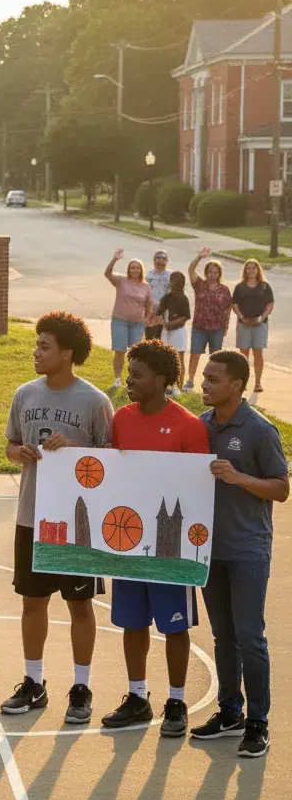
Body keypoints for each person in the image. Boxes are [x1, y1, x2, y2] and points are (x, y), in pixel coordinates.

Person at [1, 313, 113, 724]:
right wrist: (21, 453)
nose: (36, 351)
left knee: (80, 605)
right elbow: (11, 446)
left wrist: (77, 450)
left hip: (76, 524)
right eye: (37, 344)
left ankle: (81, 687)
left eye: (44, 346)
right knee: (33, 602)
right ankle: (34, 683)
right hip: (32, 517)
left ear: (67, 354)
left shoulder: (95, 401)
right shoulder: (25, 394)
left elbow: (111, 461)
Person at [101, 340, 210, 737]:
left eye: (138, 374)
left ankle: (177, 701)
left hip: (171, 547)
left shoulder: (188, 425)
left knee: (174, 627)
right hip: (128, 544)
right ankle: (137, 697)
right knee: (132, 623)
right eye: (128, 373)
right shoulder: (122, 418)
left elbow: (197, 490)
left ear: (162, 380)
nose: (129, 380)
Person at [195, 351, 288, 757]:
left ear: (237, 385)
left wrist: (238, 477)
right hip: (207, 550)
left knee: (250, 636)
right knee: (223, 635)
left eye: (214, 379)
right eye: (205, 377)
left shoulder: (259, 430)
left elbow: (281, 488)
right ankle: (230, 712)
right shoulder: (200, 426)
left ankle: (258, 722)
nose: (205, 384)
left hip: (247, 550)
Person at [104, 248, 153, 389]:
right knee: (120, 350)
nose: (135, 270)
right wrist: (115, 259)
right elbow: (107, 274)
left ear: (141, 270)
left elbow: (149, 304)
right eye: (132, 268)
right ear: (128, 270)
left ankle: (132, 378)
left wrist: (148, 317)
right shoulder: (121, 281)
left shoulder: (146, 286)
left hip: (137, 324)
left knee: (135, 354)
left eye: (137, 268)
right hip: (120, 321)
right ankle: (117, 379)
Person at [186, 247, 232, 391]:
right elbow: (190, 270)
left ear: (219, 274)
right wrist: (199, 257)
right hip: (199, 327)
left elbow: (227, 309)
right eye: (210, 271)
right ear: (206, 273)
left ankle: (214, 382)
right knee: (195, 354)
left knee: (216, 358)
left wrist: (226, 326)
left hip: (217, 328)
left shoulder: (224, 289)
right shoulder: (200, 285)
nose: (212, 274)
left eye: (215, 272)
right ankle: (190, 381)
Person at [232, 258, 274, 394]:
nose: (251, 271)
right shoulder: (240, 286)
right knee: (243, 354)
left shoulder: (265, 286)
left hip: (260, 324)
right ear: (245, 270)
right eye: (248, 268)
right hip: (243, 324)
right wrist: (242, 317)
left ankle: (258, 383)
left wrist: (262, 317)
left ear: (258, 270)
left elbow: (270, 304)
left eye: (254, 268)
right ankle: (243, 383)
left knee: (258, 352)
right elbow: (234, 304)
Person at [158, 272, 191, 394]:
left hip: (178, 331)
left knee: (179, 358)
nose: (174, 283)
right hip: (166, 332)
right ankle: (167, 385)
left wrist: (171, 324)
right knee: (165, 357)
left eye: (178, 281)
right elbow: (160, 311)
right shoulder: (166, 298)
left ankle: (178, 386)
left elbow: (186, 316)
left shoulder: (183, 298)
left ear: (182, 283)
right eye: (172, 280)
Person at [144, 250, 172, 340]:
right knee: (150, 336)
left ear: (167, 261)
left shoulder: (171, 275)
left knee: (163, 338)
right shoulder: (148, 275)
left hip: (166, 311)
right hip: (151, 310)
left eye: (164, 258)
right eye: (158, 258)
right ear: (154, 260)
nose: (161, 260)